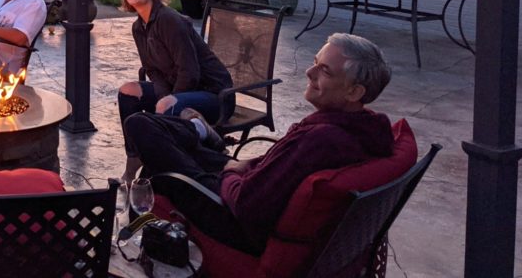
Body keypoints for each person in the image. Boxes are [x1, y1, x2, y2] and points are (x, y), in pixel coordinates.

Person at [125, 33, 394, 254]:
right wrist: (246, 164)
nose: (309, 72)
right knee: (151, 127)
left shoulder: (322, 140)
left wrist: (231, 171)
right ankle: (201, 133)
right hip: (249, 183)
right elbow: (281, 169)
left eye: (324, 70)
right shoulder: (364, 128)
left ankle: (200, 133)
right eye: (315, 62)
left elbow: (246, 205)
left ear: (354, 92)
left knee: (143, 132)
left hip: (226, 210)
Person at [117, 0, 233, 182]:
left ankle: (163, 173)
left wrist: (171, 99)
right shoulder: (138, 26)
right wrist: (164, 96)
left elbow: (190, 71)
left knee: (166, 106)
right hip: (180, 88)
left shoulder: (169, 20)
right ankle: (133, 160)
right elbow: (152, 69)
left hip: (213, 95)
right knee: (128, 91)